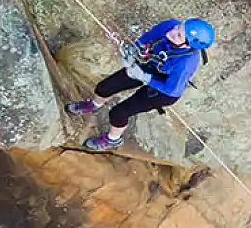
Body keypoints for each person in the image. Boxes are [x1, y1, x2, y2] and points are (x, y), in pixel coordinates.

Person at [66, 18, 215, 151]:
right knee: (104, 88)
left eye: (178, 35)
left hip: (163, 91)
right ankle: (94, 105)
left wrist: (144, 78)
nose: (173, 31)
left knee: (119, 113)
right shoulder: (169, 26)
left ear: (187, 45)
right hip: (148, 64)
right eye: (178, 27)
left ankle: (113, 140)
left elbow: (171, 90)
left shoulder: (185, 64)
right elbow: (147, 38)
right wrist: (132, 52)